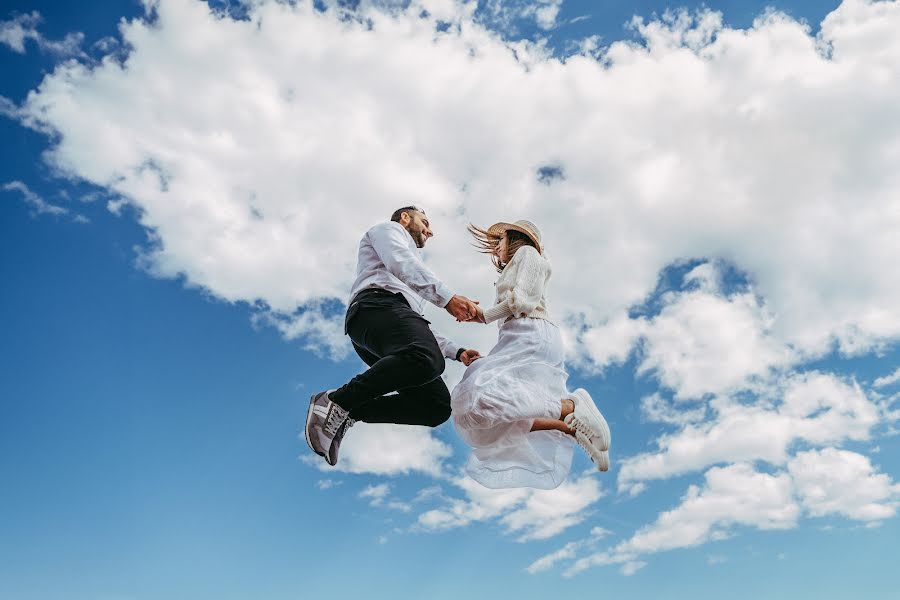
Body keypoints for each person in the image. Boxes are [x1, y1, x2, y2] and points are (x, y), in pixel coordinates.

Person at [305, 206, 482, 467]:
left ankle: (350, 411)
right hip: (374, 309)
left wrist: (456, 351)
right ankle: (335, 401)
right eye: (425, 222)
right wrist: (448, 299)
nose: (430, 231)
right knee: (426, 358)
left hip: (390, 321)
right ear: (405, 217)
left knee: (436, 407)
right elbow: (400, 261)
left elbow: (416, 325)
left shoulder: (412, 280)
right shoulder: (388, 230)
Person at [451, 220, 611, 489]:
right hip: (522, 336)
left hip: (530, 333)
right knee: (484, 421)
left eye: (499, 242)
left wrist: (483, 316)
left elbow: (523, 300)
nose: (496, 249)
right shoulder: (518, 265)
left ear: (515, 239)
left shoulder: (528, 254)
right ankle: (570, 427)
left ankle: (571, 407)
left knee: (478, 402)